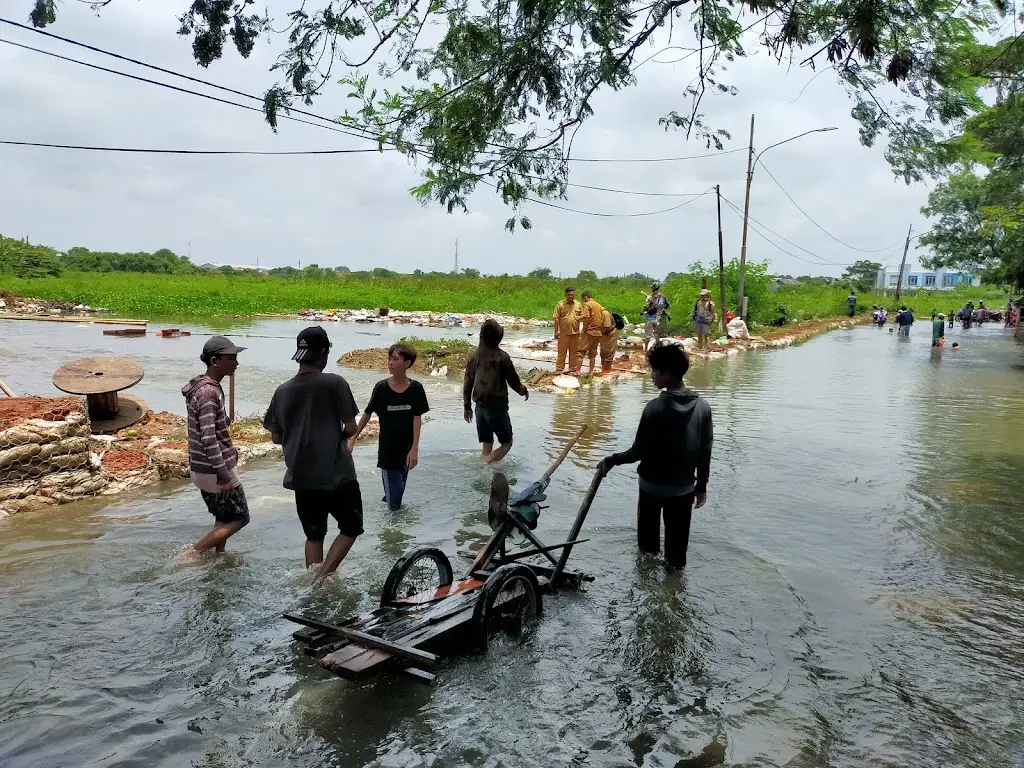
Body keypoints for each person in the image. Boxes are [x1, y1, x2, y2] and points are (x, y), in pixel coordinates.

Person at [598, 344, 712, 571]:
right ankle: (673, 591)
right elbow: (705, 449)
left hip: (651, 487)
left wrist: (611, 460)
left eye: (654, 371)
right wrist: (701, 485)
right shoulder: (702, 408)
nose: (651, 376)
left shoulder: (654, 408)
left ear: (666, 374)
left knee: (647, 550)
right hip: (683, 489)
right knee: (676, 558)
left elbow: (638, 451)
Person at [263, 327, 362, 584]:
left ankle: (312, 581)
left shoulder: (282, 391)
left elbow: (275, 436)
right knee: (351, 527)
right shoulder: (335, 383)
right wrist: (334, 436)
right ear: (324, 354)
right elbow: (351, 427)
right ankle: (323, 577)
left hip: (301, 477)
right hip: (336, 474)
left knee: (314, 535)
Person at [181, 336, 249, 556]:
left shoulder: (203, 387)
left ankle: (217, 558)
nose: (236, 363)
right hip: (214, 470)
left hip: (202, 467)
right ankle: (193, 553)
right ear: (214, 361)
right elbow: (209, 438)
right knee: (240, 518)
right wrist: (223, 475)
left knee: (224, 517)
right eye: (231, 358)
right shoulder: (209, 392)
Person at [349, 343, 429, 511]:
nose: (390, 363)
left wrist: (415, 448)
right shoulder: (381, 388)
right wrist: (353, 438)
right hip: (387, 451)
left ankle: (391, 517)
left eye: (395, 359)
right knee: (395, 502)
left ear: (407, 364)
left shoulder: (416, 389)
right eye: (389, 359)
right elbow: (367, 414)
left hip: (406, 450)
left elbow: (417, 418)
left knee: (398, 492)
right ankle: (392, 530)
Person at [463, 318, 529, 464]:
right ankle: (484, 464)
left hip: (479, 408)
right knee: (507, 443)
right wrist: (523, 391)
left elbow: (467, 382)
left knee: (487, 443)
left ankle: (485, 463)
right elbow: (514, 381)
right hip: (496, 408)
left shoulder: (474, 356)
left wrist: (467, 407)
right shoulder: (502, 357)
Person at [553, 287, 583, 374]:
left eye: (572, 295)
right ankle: (559, 369)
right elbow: (556, 319)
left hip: (575, 332)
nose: (571, 296)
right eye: (569, 295)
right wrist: (556, 332)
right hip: (563, 333)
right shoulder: (560, 304)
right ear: (565, 295)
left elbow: (583, 316)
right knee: (562, 352)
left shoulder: (578, 304)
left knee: (574, 352)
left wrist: (577, 318)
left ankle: (573, 368)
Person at [578, 290, 606, 375]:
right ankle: (590, 373)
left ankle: (577, 371)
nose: (584, 301)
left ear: (585, 297)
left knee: (580, 352)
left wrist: (584, 330)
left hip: (590, 332)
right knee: (593, 354)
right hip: (598, 333)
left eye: (583, 299)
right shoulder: (598, 305)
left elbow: (586, 318)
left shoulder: (587, 304)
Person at [642, 283, 671, 352]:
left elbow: (645, 307)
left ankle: (645, 349)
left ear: (652, 288)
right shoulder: (663, 297)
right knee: (657, 334)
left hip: (650, 317)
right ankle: (657, 349)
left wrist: (643, 312)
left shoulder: (649, 297)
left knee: (648, 334)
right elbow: (669, 306)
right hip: (659, 317)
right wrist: (662, 308)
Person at [599, 306, 621, 374]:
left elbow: (607, 326)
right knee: (602, 352)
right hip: (604, 333)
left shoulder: (604, 313)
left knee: (609, 352)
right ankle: (603, 367)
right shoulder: (598, 313)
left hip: (610, 333)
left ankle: (606, 370)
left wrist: (599, 333)